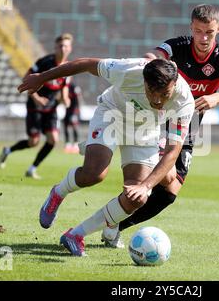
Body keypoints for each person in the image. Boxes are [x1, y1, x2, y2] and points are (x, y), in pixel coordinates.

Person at [17, 57, 194, 256]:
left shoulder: (184, 101)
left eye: (164, 94)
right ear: (144, 81)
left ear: (175, 83)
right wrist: (43, 77)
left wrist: (146, 186)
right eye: (152, 92)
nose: (158, 100)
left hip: (145, 130)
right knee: (95, 174)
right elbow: (85, 64)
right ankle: (58, 193)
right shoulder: (129, 70)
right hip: (113, 113)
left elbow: (172, 151)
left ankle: (76, 235)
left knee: (136, 198)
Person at [101, 4, 219, 247]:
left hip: (191, 122)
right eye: (199, 31)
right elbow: (155, 56)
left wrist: (216, 97)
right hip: (159, 116)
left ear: (218, 29)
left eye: (209, 32)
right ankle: (110, 217)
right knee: (158, 174)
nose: (203, 37)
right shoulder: (176, 46)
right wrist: (150, 59)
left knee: (170, 192)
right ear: (192, 28)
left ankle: (116, 224)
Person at [0, 33, 73, 179]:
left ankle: (32, 169)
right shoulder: (45, 62)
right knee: (34, 142)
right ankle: (8, 150)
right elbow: (27, 79)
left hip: (51, 108)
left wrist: (65, 99)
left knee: (53, 140)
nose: (63, 49)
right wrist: (36, 98)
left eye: (66, 46)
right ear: (55, 47)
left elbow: (64, 85)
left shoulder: (68, 68)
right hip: (35, 107)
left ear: (70, 48)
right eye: (60, 46)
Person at [63, 82, 82, 153]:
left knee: (74, 126)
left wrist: (77, 110)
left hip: (75, 110)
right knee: (66, 125)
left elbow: (78, 98)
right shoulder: (64, 87)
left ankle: (76, 143)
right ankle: (67, 143)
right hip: (68, 110)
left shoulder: (74, 86)